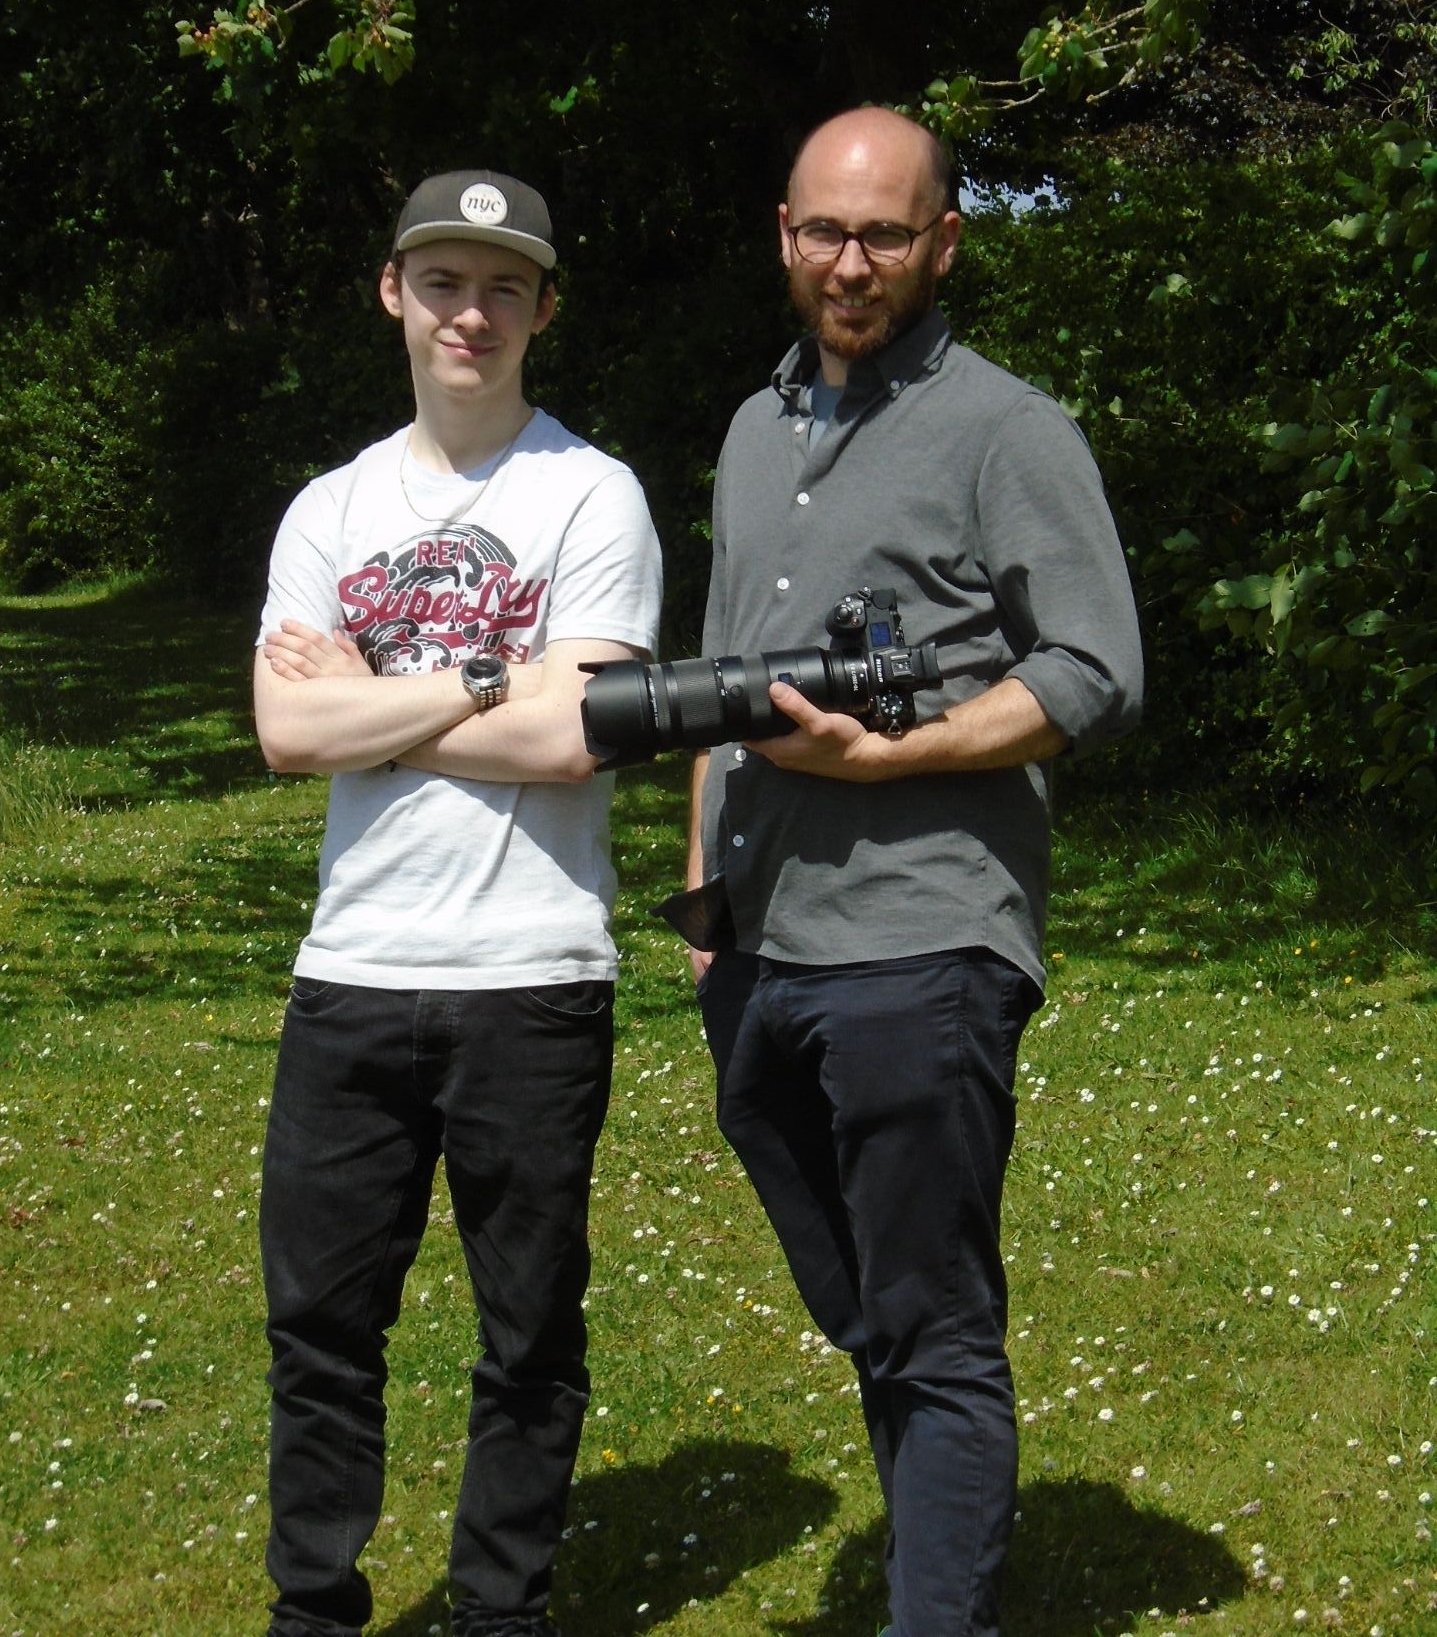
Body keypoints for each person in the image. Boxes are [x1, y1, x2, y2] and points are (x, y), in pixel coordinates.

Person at [685, 107, 1143, 1637]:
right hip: (757, 948)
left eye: (887, 233)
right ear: (784, 233)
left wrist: (905, 754)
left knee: (932, 1327)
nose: (853, 262)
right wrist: (703, 911)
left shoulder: (1011, 431)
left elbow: (1092, 667)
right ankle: (942, 1551)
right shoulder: (755, 432)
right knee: (874, 1312)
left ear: (945, 241)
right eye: (826, 229)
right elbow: (723, 684)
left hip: (925, 937)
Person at [253, 169, 663, 1637]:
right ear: (394, 293)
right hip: (351, 970)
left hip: (532, 975)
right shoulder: (330, 506)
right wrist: (501, 673)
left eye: (501, 285)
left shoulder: (591, 494)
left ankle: (500, 1613)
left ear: (543, 307)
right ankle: (316, 1610)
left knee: (528, 1335)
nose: (469, 312)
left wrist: (387, 696)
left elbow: (578, 736)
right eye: (443, 281)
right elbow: (287, 735)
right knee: (321, 1333)